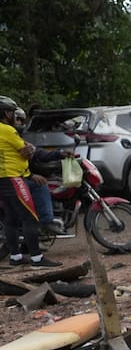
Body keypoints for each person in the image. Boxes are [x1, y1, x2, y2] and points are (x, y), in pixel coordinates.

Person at [0, 97, 61, 267]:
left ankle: (16, 257)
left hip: (2, 179)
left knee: (11, 219)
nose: (15, 117)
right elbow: (26, 151)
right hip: (14, 178)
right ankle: (36, 258)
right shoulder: (7, 130)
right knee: (29, 218)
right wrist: (30, 150)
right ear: (6, 113)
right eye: (13, 113)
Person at [12, 106, 69, 235]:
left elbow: (37, 152)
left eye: (21, 120)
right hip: (11, 179)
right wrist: (31, 176)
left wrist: (59, 154)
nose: (21, 124)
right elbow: (10, 164)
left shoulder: (14, 137)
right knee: (40, 185)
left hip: (14, 177)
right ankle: (46, 221)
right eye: (18, 120)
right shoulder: (8, 136)